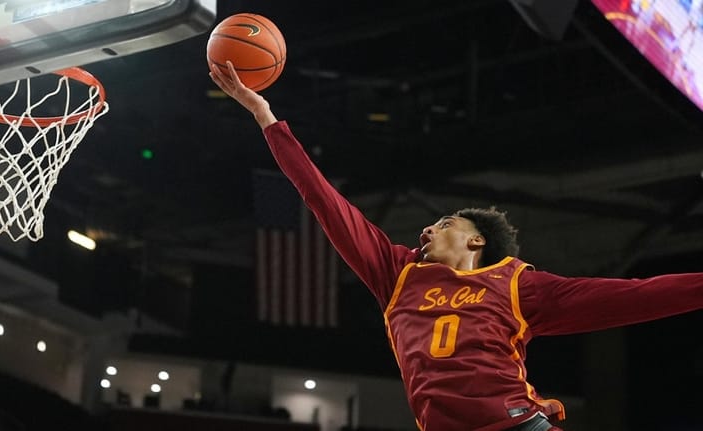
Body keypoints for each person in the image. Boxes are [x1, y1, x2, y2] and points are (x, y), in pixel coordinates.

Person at [209, 61, 703, 431]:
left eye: (442, 223)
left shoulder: (518, 285)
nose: (424, 232)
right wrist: (266, 117)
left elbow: (639, 294)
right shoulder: (397, 273)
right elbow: (325, 201)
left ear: (476, 239)